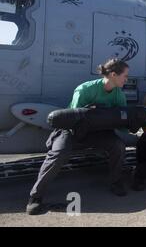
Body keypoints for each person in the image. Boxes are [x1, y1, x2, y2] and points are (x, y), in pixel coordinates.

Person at [26, 59, 130, 215]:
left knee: (118, 146)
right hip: (71, 130)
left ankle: (115, 182)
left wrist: (132, 126)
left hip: (96, 131)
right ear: (114, 75)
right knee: (58, 154)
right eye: (125, 76)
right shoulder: (85, 90)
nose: (127, 79)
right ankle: (35, 197)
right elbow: (73, 118)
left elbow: (121, 119)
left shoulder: (118, 95)